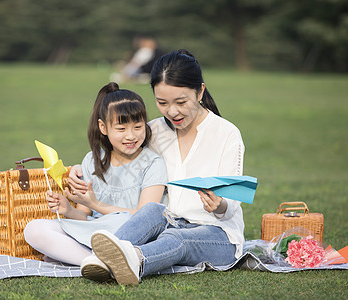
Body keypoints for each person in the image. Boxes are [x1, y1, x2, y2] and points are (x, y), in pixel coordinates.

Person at [71, 49, 246, 285]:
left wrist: (220, 205)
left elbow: (232, 204)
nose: (172, 111)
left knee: (178, 238)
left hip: (218, 234)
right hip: (169, 221)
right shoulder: (155, 131)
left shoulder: (227, 134)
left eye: (181, 102)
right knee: (152, 211)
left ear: (200, 91)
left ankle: (135, 260)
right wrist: (79, 168)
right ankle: (101, 260)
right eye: (162, 102)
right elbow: (118, 152)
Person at [24, 82, 167, 280]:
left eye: (138, 127)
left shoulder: (153, 163)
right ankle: (103, 263)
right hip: (94, 232)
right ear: (103, 127)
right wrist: (68, 210)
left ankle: (97, 260)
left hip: (130, 236)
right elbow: (86, 216)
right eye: (121, 128)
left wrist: (96, 203)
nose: (131, 135)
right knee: (34, 229)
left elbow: (147, 216)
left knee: (122, 220)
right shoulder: (91, 161)